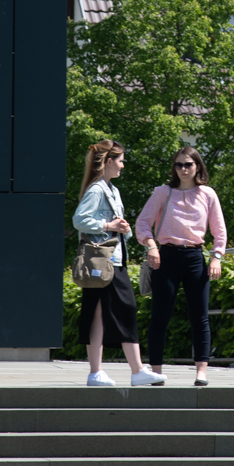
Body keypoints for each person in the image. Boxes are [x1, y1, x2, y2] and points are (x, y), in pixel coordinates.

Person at [72, 140, 165, 387]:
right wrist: (108, 225)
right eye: (121, 161)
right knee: (120, 309)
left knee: (102, 313)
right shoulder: (97, 190)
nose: (123, 166)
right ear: (109, 161)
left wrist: (122, 228)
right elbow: (79, 220)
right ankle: (131, 371)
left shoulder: (112, 190)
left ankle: (109, 372)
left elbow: (113, 225)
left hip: (112, 260)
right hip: (104, 261)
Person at [136, 147, 228, 386]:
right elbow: (143, 223)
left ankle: (201, 372)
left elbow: (219, 230)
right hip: (165, 257)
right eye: (179, 165)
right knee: (160, 317)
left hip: (195, 257)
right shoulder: (162, 192)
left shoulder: (207, 194)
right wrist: (151, 246)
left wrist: (217, 257)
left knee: (200, 317)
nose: (183, 169)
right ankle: (155, 371)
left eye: (188, 164)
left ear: (198, 166)